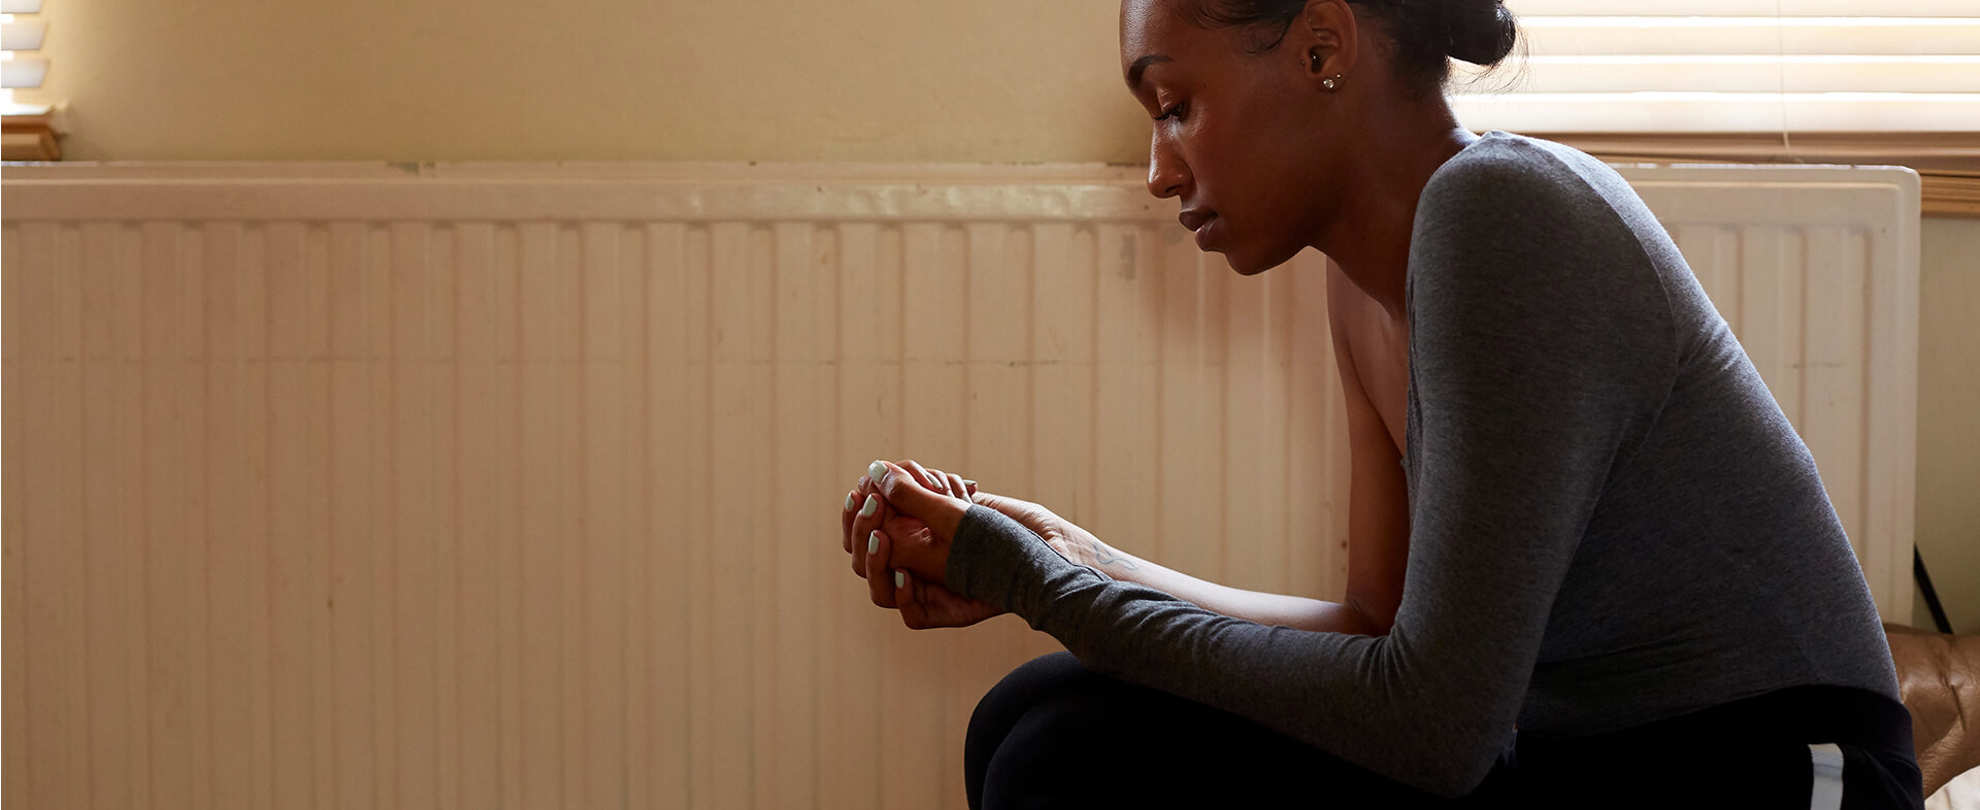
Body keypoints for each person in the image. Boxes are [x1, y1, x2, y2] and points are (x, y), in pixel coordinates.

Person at [834, 0, 1924, 807]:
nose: (1159, 172)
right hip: (1585, 755)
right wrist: (1062, 552)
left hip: (1773, 776)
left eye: (1176, 107)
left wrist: (1045, 587)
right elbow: (1377, 633)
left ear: (1322, 46)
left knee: (1066, 755)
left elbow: (1432, 731)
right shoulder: (1362, 288)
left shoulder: (1505, 215)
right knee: (1041, 714)